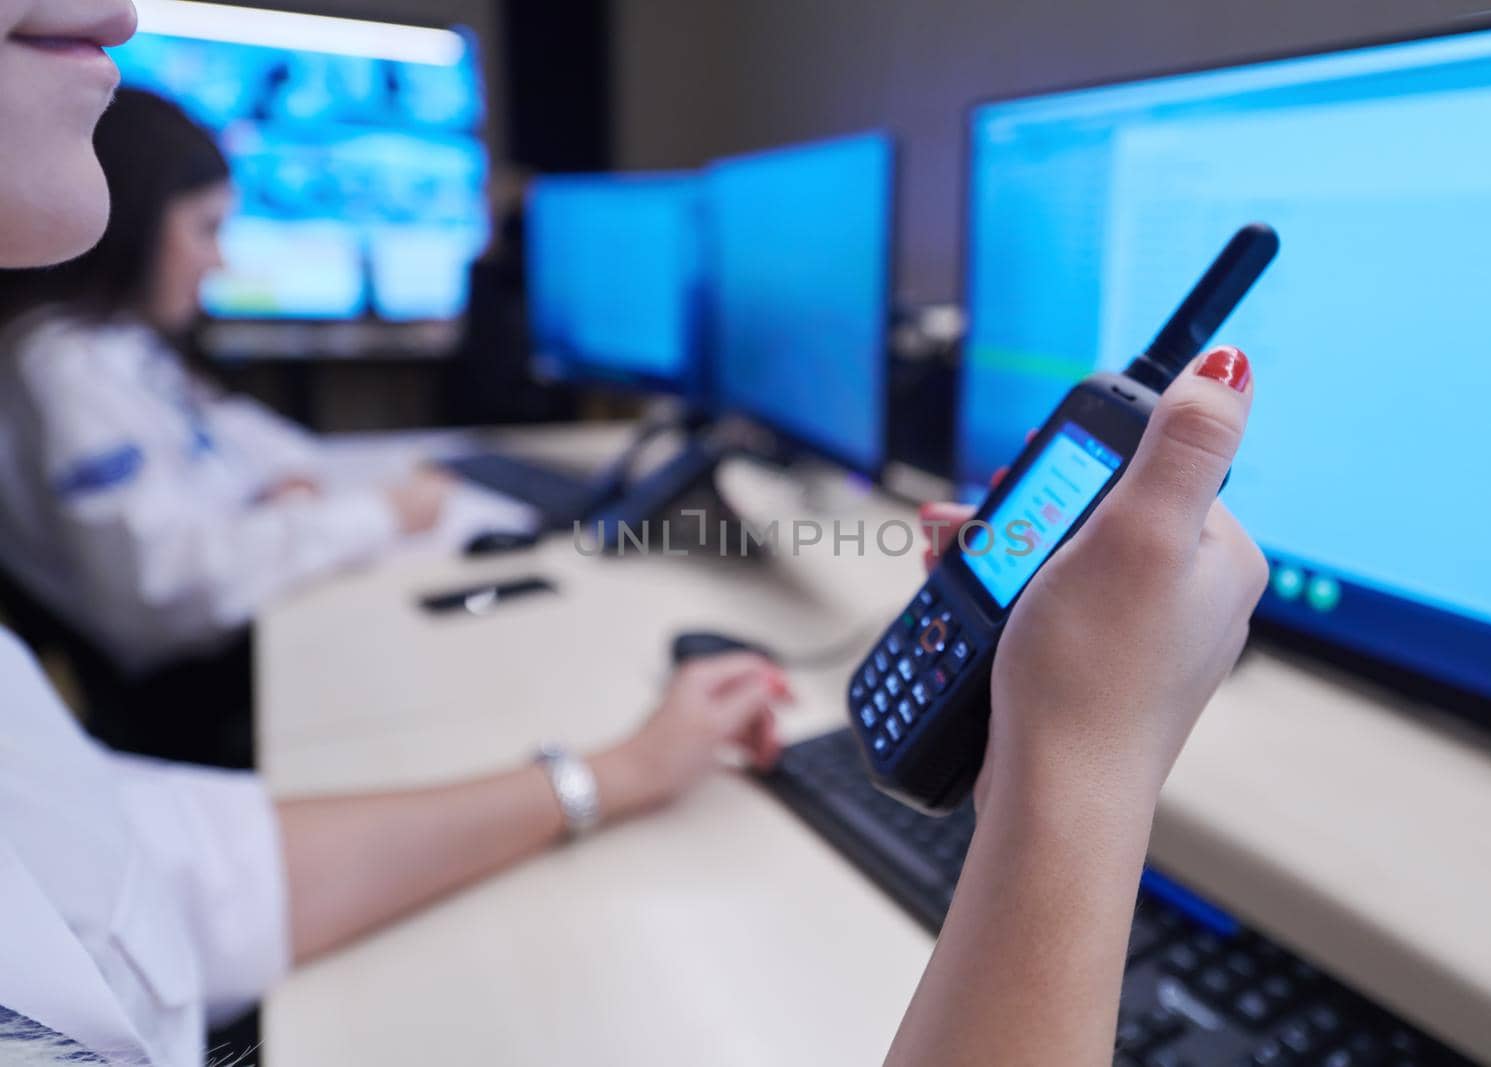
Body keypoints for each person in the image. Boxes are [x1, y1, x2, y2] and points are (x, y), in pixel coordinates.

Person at [0, 3, 1268, 1065]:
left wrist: (608, 772)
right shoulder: (75, 366)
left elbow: (150, 874)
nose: (115, 9)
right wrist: (1079, 775)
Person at [0, 87, 462, 683]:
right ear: (132, 222)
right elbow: (164, 589)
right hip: (185, 696)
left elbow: (224, 432)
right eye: (205, 229)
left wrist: (282, 486)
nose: (217, 262)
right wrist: (379, 514)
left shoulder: (115, 346)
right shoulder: (65, 369)